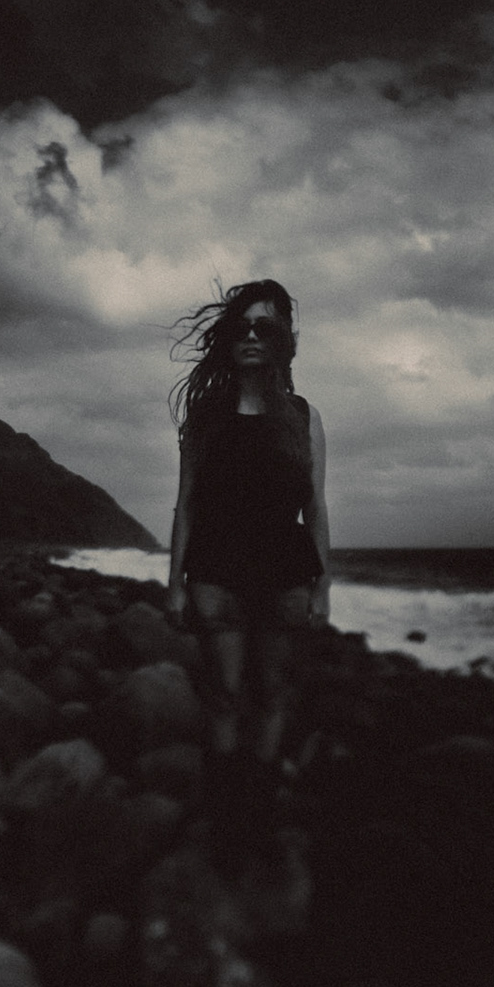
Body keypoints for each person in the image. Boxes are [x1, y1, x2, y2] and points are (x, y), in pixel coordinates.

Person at [167, 280, 331, 794]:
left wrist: (323, 588)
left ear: (285, 337)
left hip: (286, 574)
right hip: (216, 572)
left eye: (265, 326)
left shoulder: (305, 417)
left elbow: (315, 506)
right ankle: (225, 806)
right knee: (223, 692)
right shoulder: (207, 417)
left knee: (273, 693)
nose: (252, 336)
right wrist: (175, 583)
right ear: (227, 338)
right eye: (241, 327)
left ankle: (255, 801)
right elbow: (187, 502)